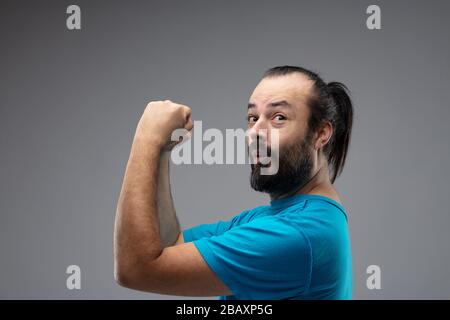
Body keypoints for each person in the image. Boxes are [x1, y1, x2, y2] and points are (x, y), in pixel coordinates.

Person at [114, 65, 354, 299]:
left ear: (321, 133)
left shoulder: (297, 234)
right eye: (252, 117)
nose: (254, 132)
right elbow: (171, 245)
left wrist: (146, 137)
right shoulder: (277, 219)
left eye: (278, 117)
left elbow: (135, 269)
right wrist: (163, 151)